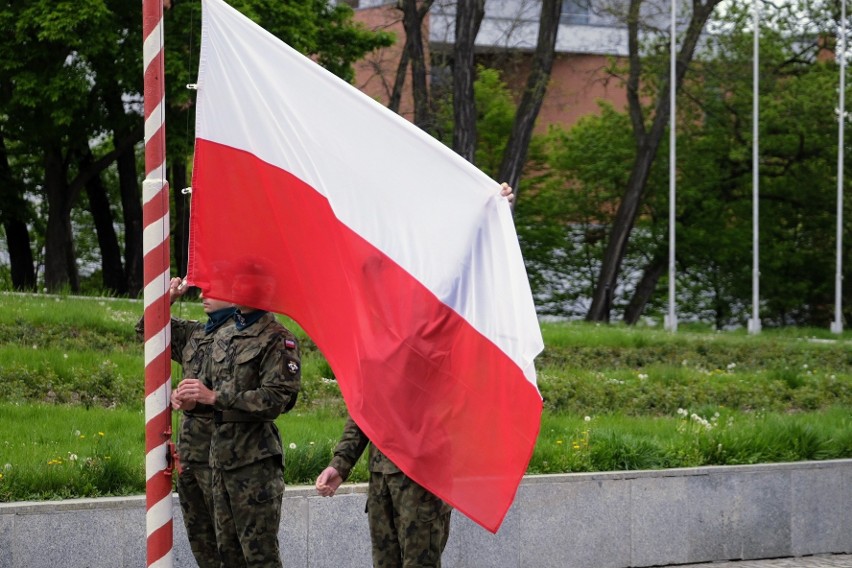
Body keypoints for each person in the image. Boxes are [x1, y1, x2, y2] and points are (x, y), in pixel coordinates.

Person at [315, 183, 515, 568]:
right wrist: (340, 465)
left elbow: (464, 278)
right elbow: (364, 410)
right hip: (383, 475)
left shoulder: (433, 328)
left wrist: (492, 219)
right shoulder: (374, 344)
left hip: (423, 472)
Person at [174, 286, 301, 568]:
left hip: (254, 463)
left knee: (259, 557)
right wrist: (193, 402)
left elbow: (276, 400)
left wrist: (214, 397)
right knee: (227, 555)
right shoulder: (224, 336)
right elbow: (213, 396)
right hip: (219, 461)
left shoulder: (278, 339)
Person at [136, 276, 235, 568]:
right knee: (202, 543)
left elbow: (248, 395)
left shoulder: (243, 338)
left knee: (230, 545)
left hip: (224, 457)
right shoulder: (195, 333)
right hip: (191, 456)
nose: (204, 293)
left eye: (214, 289)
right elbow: (148, 332)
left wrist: (202, 398)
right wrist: (167, 299)